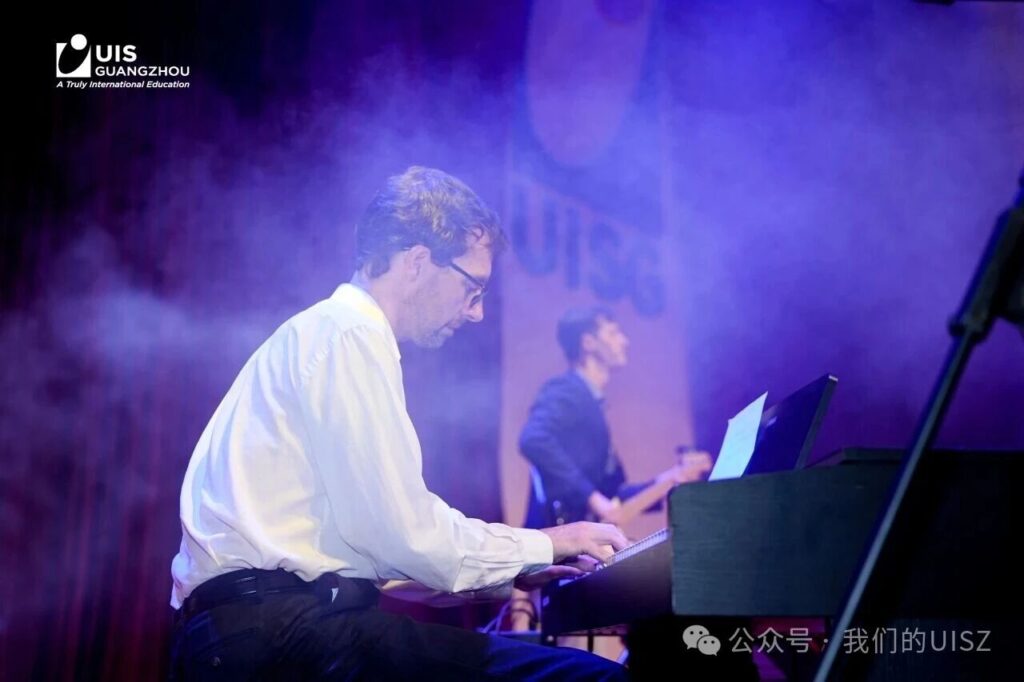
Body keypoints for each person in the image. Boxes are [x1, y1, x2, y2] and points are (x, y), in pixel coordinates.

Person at [168, 166, 629, 681]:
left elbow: (377, 557)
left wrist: (516, 573)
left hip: (248, 635)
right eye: (473, 288)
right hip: (284, 635)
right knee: (594, 678)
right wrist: (549, 542)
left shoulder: (321, 334)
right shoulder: (350, 334)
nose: (476, 312)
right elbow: (406, 537)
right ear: (417, 262)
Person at [519, 306, 711, 533]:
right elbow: (533, 439)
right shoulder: (566, 390)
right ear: (588, 343)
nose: (624, 341)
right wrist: (593, 499)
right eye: (613, 333)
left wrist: (674, 476)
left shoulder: (591, 403)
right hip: (556, 543)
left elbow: (614, 496)